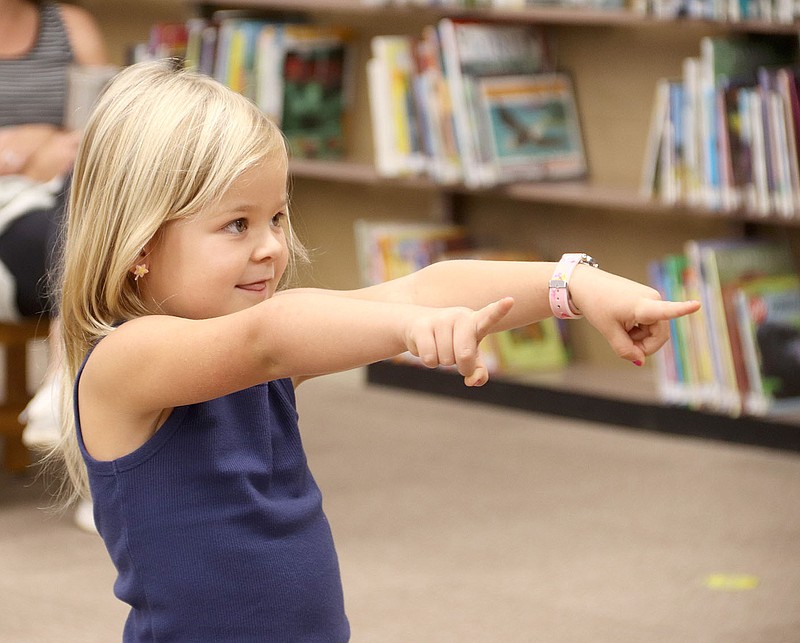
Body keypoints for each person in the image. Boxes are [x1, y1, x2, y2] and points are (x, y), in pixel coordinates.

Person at [52, 59, 700, 641]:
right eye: (236, 224)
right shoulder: (125, 361)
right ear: (139, 246)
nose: (272, 246)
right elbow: (270, 336)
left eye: (276, 217)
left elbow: (427, 284)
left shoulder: (257, 338)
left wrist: (574, 284)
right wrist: (407, 330)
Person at [0, 0, 107, 532]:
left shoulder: (70, 26)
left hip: (61, 194)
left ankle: (65, 380)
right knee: (99, 251)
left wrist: (52, 151)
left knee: (98, 196)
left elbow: (103, 128)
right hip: (6, 207)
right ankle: (98, 459)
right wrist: (21, 150)